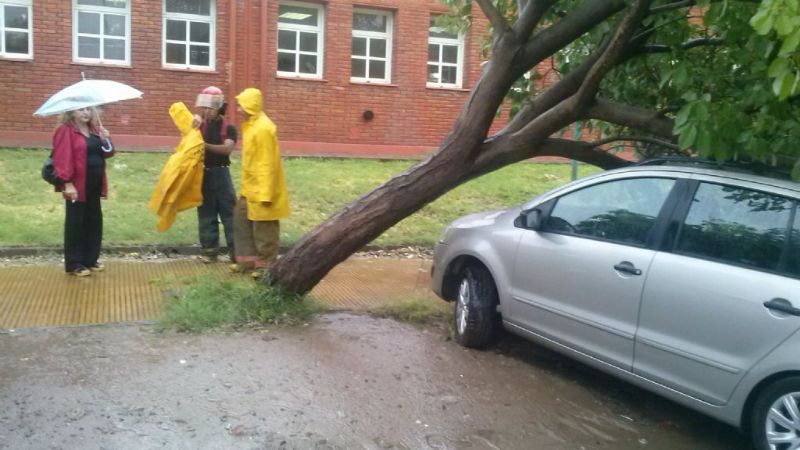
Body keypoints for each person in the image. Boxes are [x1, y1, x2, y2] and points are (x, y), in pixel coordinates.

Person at [231, 87, 290, 277]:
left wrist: (266, 193)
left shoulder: (263, 128)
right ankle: (247, 262)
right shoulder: (252, 126)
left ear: (250, 106)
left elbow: (267, 163)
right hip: (249, 189)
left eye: (241, 105)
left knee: (264, 229)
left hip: (263, 189)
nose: (239, 109)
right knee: (241, 222)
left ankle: (265, 265)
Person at [51, 107, 113, 277]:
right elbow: (61, 158)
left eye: (88, 109)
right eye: (80, 110)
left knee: (93, 221)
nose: (85, 113)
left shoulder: (94, 129)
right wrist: (67, 183)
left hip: (94, 184)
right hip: (76, 184)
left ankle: (90, 259)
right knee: (76, 223)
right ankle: (74, 263)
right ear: (71, 113)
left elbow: (108, 153)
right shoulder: (65, 131)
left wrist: (106, 140)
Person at [193, 86, 238, 263]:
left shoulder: (229, 128)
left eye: (210, 107)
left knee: (229, 213)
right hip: (203, 174)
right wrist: (194, 123)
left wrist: (203, 145)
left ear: (219, 107)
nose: (206, 111)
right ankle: (209, 252)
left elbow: (227, 149)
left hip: (221, 175)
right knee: (205, 213)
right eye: (204, 107)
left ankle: (236, 253)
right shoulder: (199, 126)